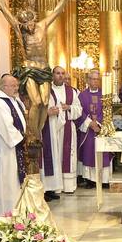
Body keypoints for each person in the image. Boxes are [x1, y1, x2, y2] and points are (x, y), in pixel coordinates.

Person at [0, 74, 27, 217]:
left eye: (16, 85)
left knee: (14, 181)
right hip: (6, 150)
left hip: (14, 147)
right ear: (4, 86)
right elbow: (7, 128)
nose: (17, 88)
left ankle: (17, 210)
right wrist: (22, 139)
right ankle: (5, 213)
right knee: (7, 181)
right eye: (14, 85)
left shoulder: (13, 101)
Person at [42, 65, 82, 196]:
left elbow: (79, 110)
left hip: (68, 128)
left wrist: (69, 107)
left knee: (67, 155)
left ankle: (68, 186)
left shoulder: (72, 91)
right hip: (52, 128)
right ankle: (54, 186)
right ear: (52, 75)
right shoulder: (46, 90)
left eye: (62, 73)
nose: (60, 76)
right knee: (54, 155)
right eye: (57, 73)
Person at [76, 69, 114, 186]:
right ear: (88, 80)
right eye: (92, 79)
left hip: (101, 129)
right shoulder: (82, 95)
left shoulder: (105, 95)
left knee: (103, 153)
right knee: (89, 152)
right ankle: (90, 180)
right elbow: (79, 111)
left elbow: (107, 111)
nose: (95, 81)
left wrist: (99, 124)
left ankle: (104, 180)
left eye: (97, 79)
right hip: (88, 130)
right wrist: (90, 123)